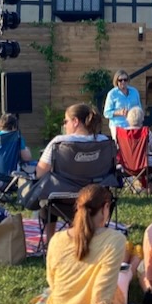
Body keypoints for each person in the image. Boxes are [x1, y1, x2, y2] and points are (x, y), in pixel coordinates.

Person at [46, 184, 139, 304]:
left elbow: (52, 280)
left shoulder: (57, 239)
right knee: (126, 272)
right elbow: (103, 290)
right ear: (106, 208)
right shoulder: (115, 239)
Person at [36, 103, 111, 243]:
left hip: (63, 199)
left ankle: (51, 243)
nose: (64, 125)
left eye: (66, 121)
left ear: (75, 121)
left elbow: (40, 173)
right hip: (96, 199)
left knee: (45, 198)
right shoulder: (105, 142)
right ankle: (94, 237)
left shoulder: (60, 142)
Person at [103, 70, 142, 141]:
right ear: (116, 81)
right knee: (120, 147)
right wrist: (119, 112)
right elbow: (106, 113)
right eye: (120, 80)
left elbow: (139, 108)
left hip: (133, 125)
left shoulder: (134, 91)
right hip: (118, 125)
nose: (123, 82)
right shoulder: (112, 94)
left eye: (125, 80)